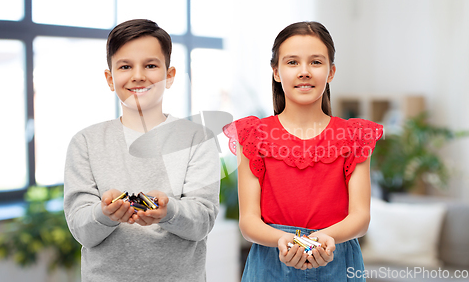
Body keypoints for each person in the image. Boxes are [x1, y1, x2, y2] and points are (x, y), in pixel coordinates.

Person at [223, 21, 383, 281]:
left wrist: (323, 239)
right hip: (270, 261)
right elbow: (249, 222)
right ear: (276, 71)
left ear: (331, 72)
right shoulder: (253, 135)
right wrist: (284, 240)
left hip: (338, 260)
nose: (305, 71)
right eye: (292, 62)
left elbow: (361, 218)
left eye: (316, 62)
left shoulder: (355, 136)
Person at [64, 19, 220, 282]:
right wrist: (104, 214)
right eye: (125, 66)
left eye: (150, 65)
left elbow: (202, 223)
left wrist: (168, 211)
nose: (138, 75)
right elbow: (82, 231)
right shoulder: (85, 143)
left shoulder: (198, 139)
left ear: (169, 76)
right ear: (110, 78)